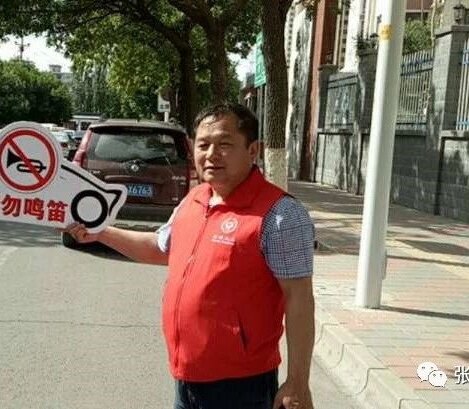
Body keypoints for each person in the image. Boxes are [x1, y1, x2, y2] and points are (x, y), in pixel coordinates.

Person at [65, 103, 316, 408]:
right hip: (186, 376)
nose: (211, 154)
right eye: (203, 144)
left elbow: (299, 298)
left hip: (241, 386)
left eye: (224, 144)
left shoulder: (280, 215)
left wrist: (297, 381)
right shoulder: (195, 199)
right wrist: (100, 233)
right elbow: (160, 247)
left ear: (253, 151)